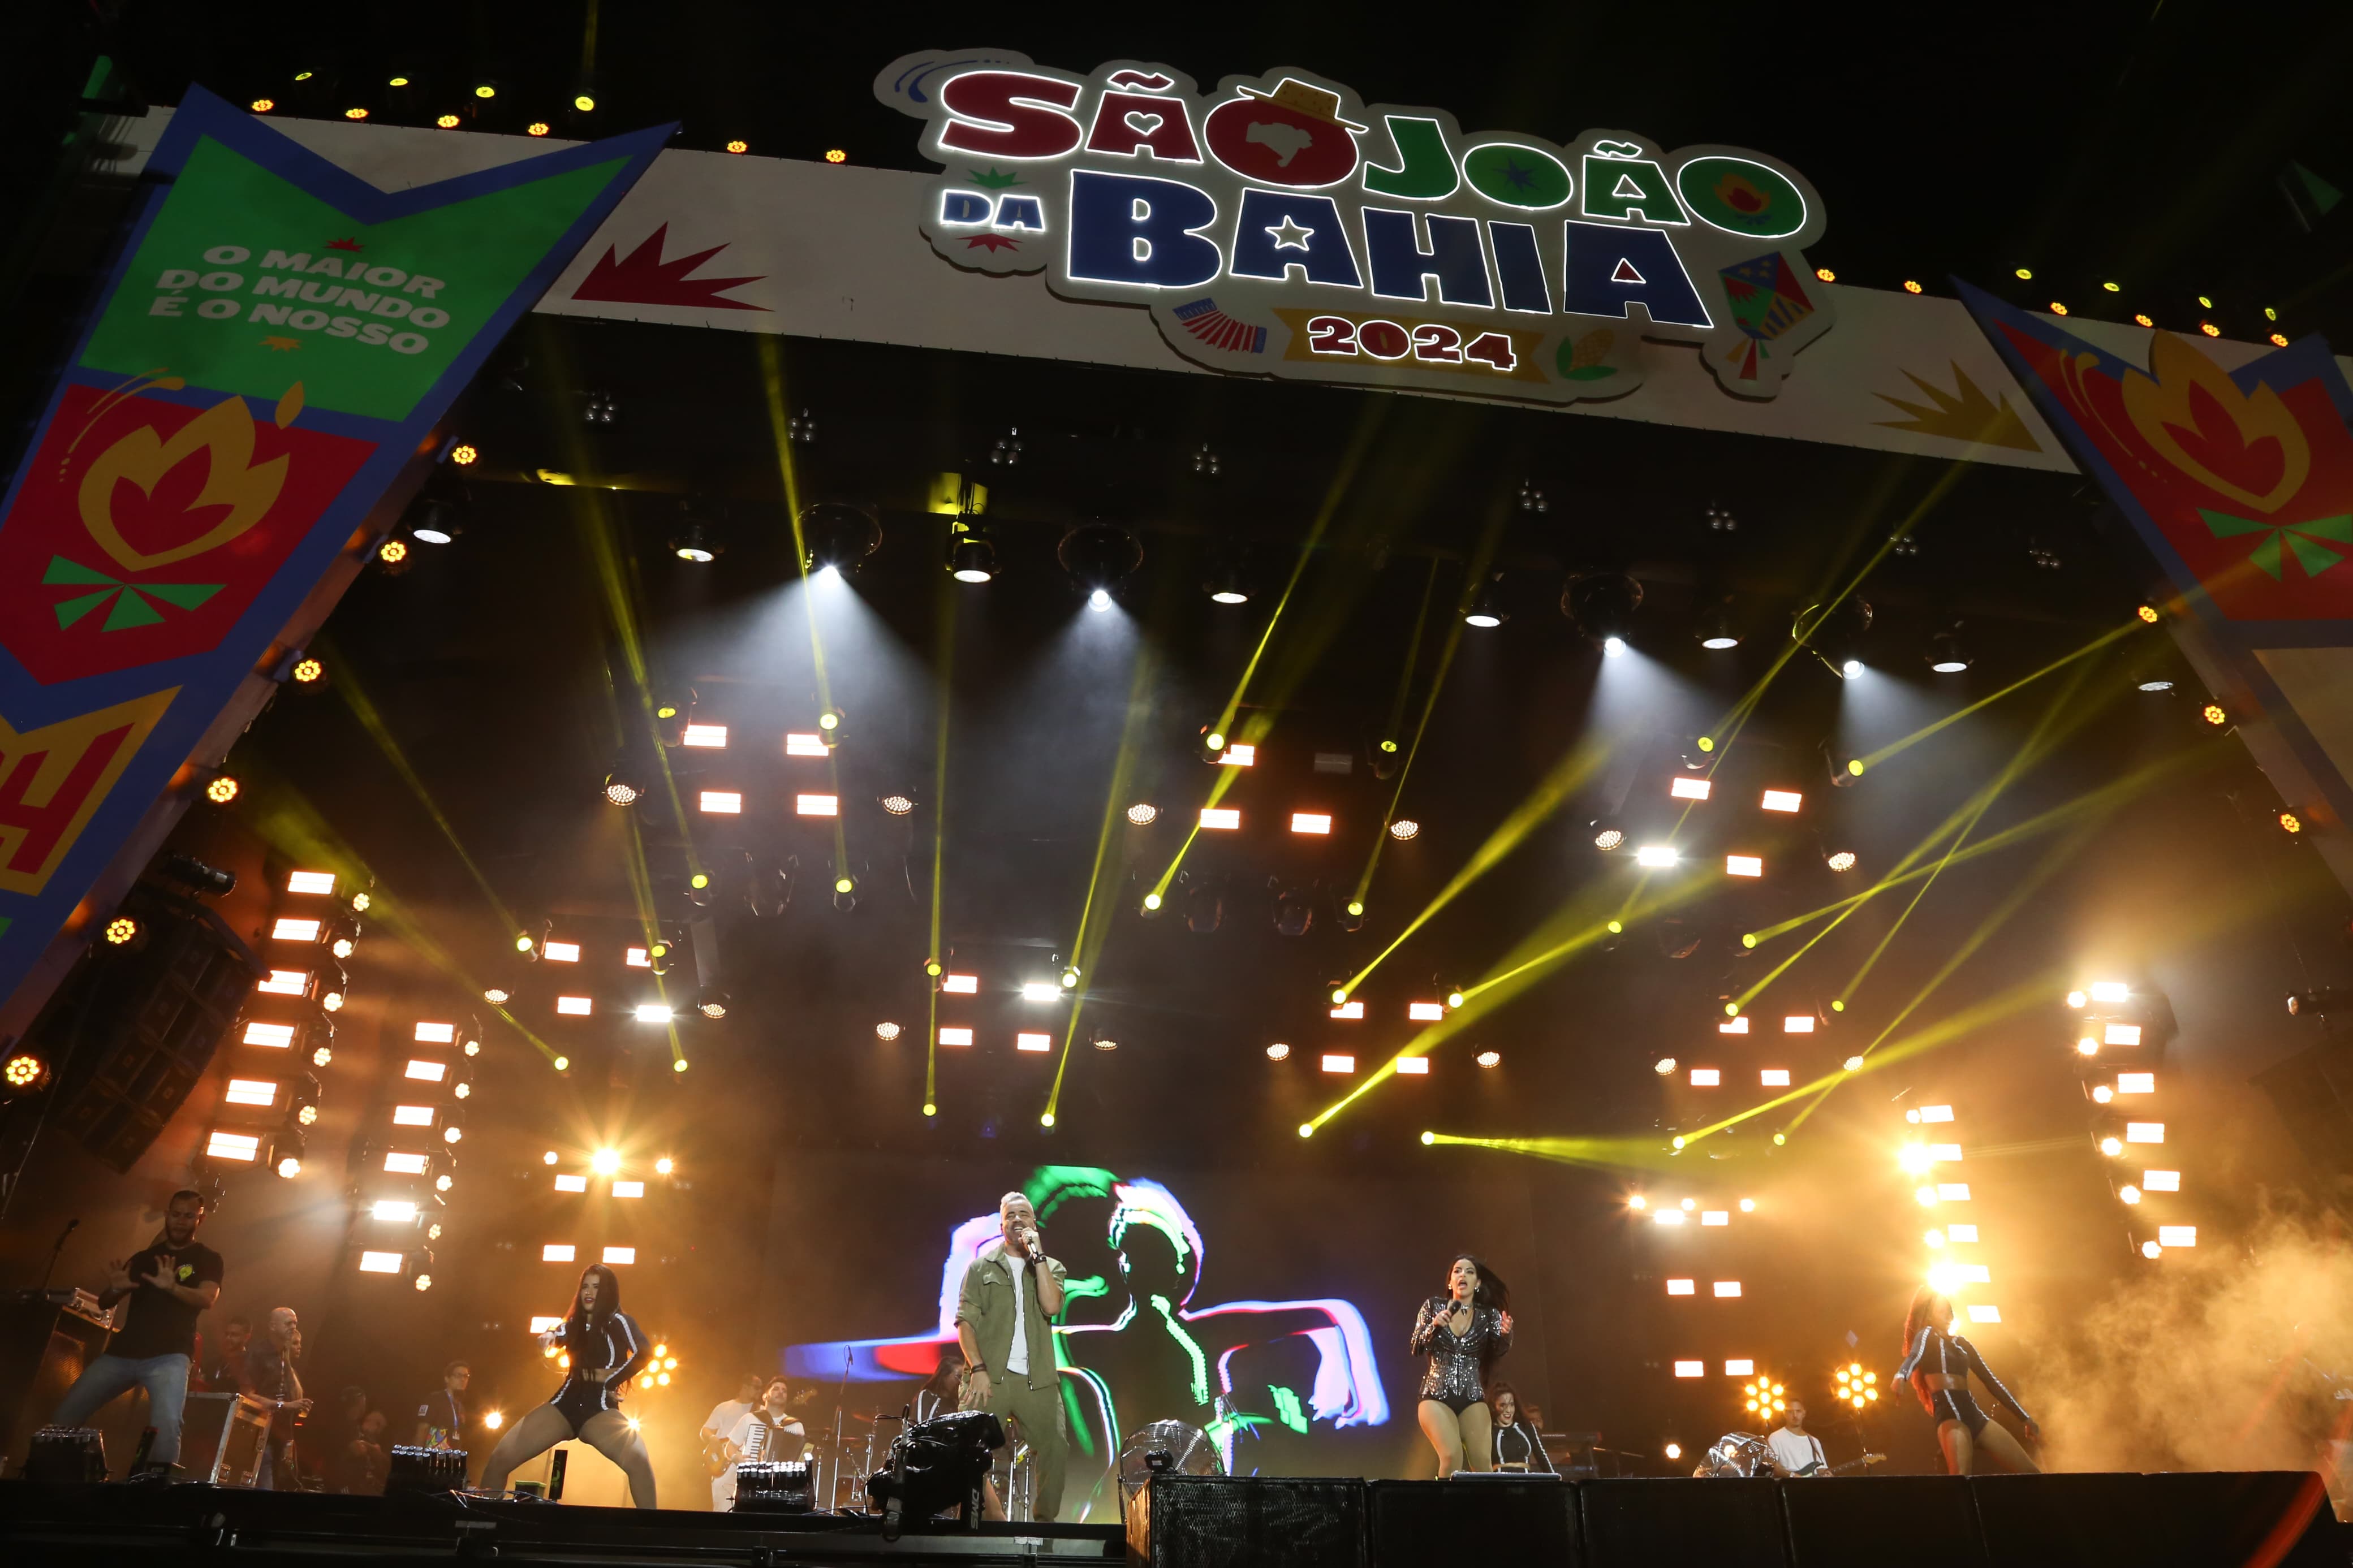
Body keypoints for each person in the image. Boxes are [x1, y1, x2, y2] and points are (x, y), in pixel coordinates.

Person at [46, 1188, 223, 1475]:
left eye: (189, 1216)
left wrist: (173, 1287)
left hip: (170, 1356)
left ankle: (155, 1494)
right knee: (65, 1416)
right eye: (176, 1214)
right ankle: (45, 1478)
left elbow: (207, 1299)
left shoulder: (208, 1258)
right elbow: (105, 1301)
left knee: (167, 1426)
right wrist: (116, 1288)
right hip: (122, 1353)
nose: (180, 1221)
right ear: (167, 1215)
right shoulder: (143, 1257)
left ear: (199, 1220)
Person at [479, 1264, 657, 1506]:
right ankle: (482, 1524)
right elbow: (559, 1331)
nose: (589, 1292)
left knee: (640, 1464)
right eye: (585, 1286)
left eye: (596, 1286)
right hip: (564, 1405)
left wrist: (611, 1380)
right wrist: (549, 1336)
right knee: (499, 1460)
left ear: (608, 1292)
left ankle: (650, 1538)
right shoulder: (574, 1322)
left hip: (600, 1409)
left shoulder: (619, 1321)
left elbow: (644, 1352)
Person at [955, 1191, 1068, 1522]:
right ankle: (988, 1521)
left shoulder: (1052, 1267)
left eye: (1024, 1214)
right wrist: (977, 1368)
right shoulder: (981, 1267)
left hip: (1038, 1379)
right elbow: (965, 1322)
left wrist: (1040, 1259)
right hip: (990, 1375)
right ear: (1001, 1223)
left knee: (1055, 1448)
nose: (1017, 1219)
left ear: (1034, 1223)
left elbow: (1052, 1306)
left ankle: (1045, 1527)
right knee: (966, 1449)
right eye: (1010, 1215)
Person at [1897, 1286, 2040, 1476]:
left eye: (1950, 1312)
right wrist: (1901, 1376)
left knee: (2032, 1472)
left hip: (1976, 1416)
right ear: (1929, 1315)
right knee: (1961, 1478)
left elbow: (1992, 1381)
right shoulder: (1926, 1335)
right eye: (1942, 1312)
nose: (1948, 1316)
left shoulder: (1962, 1344)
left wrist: (2025, 1417)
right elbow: (1914, 1356)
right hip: (1950, 1417)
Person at [1409, 1254, 1513, 1477]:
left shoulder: (1488, 1315)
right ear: (1450, 1282)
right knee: (1451, 1456)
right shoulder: (1433, 1306)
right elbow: (1416, 1346)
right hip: (1435, 1396)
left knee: (1483, 1463)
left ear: (1478, 1284)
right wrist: (1435, 1326)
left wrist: (1506, 1334)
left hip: (1472, 1397)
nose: (1462, 1275)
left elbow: (1499, 1350)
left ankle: (1484, 1511)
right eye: (1457, 1271)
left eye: (1469, 1271)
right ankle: (1448, 1511)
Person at [239, 1306, 309, 1489]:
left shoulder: (284, 1357)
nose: (293, 1327)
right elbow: (247, 1394)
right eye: (288, 1323)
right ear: (272, 1326)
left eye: (295, 1323)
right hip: (260, 1434)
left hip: (279, 1436)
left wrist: (295, 1405)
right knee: (265, 1486)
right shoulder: (258, 1354)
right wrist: (284, 1405)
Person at [701, 1373, 762, 1510]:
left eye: (761, 1388)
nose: (760, 1391)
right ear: (745, 1387)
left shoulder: (762, 1411)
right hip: (724, 1465)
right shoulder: (724, 1407)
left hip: (748, 1465)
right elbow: (704, 1431)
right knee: (722, 1508)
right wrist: (713, 1438)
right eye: (756, 1388)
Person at [1487, 1383, 1553, 1473]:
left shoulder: (1526, 1427)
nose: (1509, 1410)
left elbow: (1542, 1457)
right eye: (1503, 1405)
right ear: (1493, 1407)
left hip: (1525, 1483)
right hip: (1500, 1484)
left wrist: (1556, 1481)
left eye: (1511, 1404)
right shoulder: (1489, 1431)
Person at [413, 1360, 472, 1457]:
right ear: (447, 1379)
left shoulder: (461, 1408)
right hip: (431, 1461)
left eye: (466, 1376)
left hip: (450, 1463)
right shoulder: (434, 1400)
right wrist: (417, 1460)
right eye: (458, 1375)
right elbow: (422, 1432)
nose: (463, 1379)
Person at [1765, 1399, 1829, 1477]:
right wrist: (1792, 1475)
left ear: (1804, 1413)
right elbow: (1773, 1465)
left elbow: (1821, 1468)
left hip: (1812, 1487)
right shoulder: (1775, 1437)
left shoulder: (1814, 1441)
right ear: (1784, 1414)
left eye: (1798, 1411)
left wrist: (1826, 1475)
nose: (1795, 1415)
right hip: (1788, 1485)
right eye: (1790, 1412)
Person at [198, 1314, 252, 1393]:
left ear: (247, 1337)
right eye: (227, 1334)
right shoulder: (213, 1364)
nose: (228, 1338)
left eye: (234, 1335)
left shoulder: (251, 1365)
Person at [913, 1350, 967, 1425]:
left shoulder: (958, 1403)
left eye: (964, 1378)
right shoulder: (927, 1396)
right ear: (944, 1376)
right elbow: (920, 1424)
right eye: (959, 1377)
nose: (961, 1382)